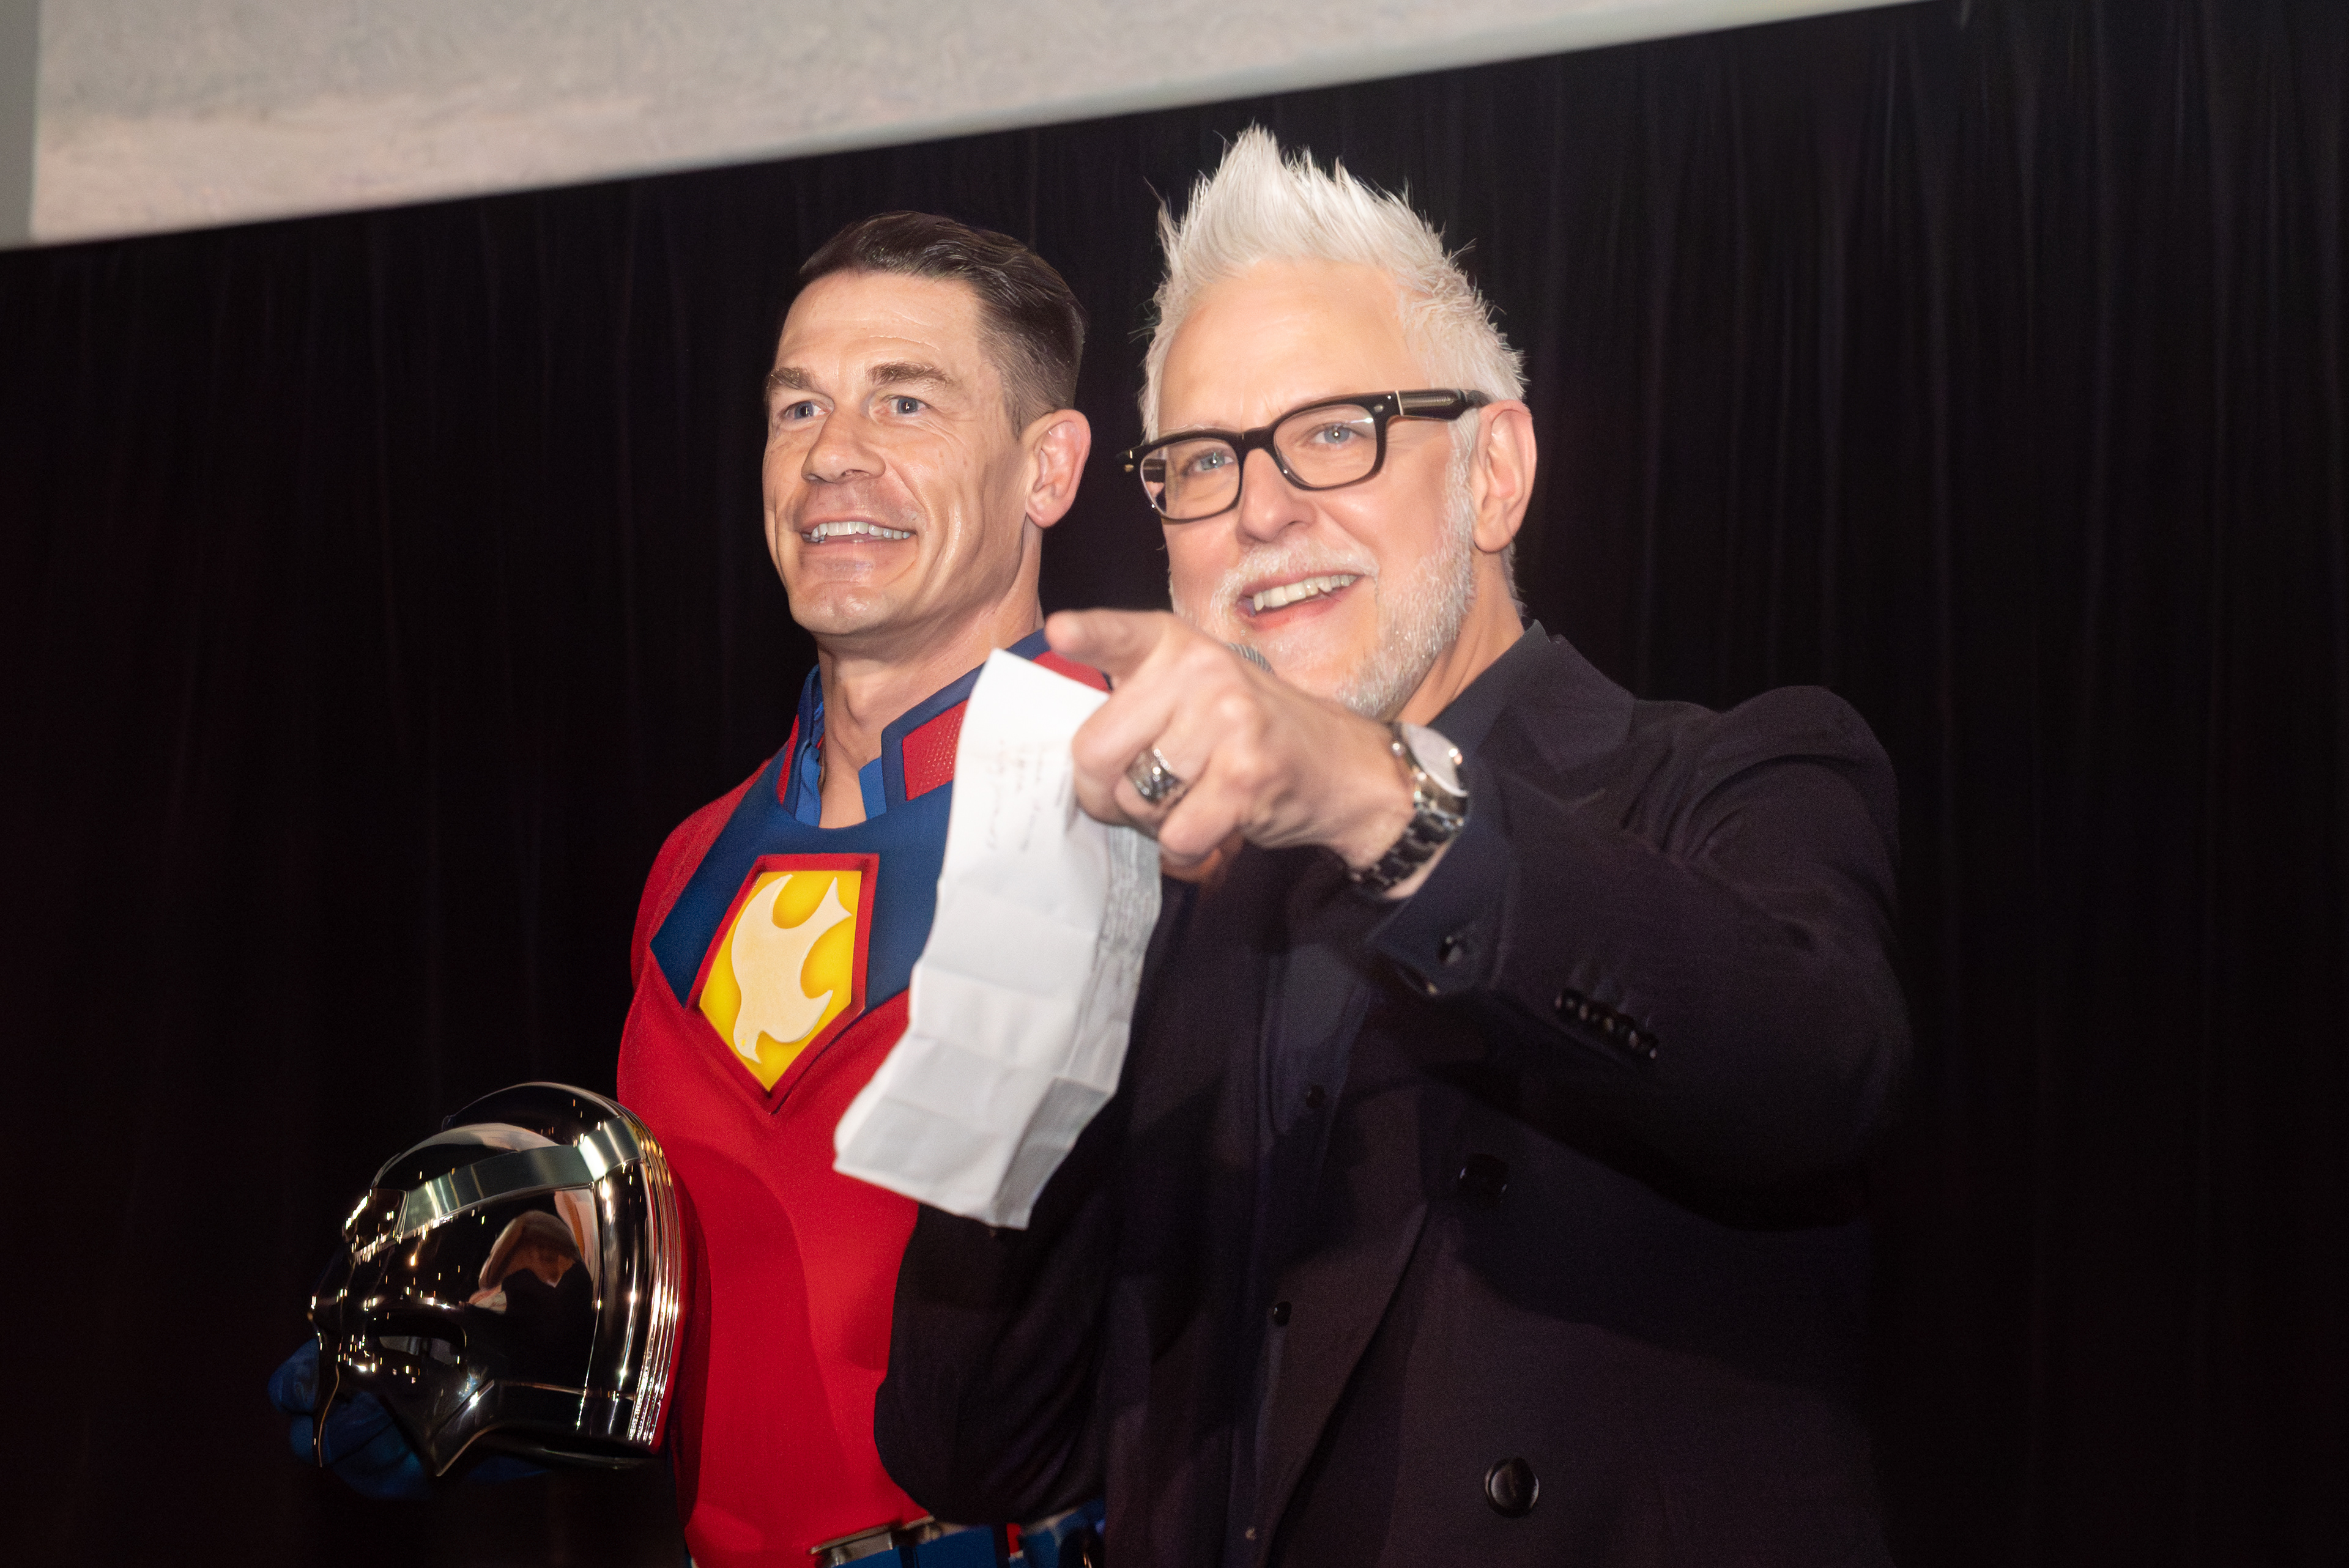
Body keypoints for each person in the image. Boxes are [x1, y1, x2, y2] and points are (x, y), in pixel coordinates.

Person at [875, 128, 1912, 1566]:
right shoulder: (1168, 919)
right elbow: (966, 1438)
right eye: (1200, 462)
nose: (1260, 509)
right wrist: (1049, 962)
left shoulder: (1727, 774)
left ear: (1495, 472)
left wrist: (1380, 796)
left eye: (1334, 431)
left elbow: (1818, 1064)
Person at [277, 211, 1106, 1567]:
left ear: (1048, 467)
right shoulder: (691, 868)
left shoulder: (1157, 811)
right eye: (798, 406)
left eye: (906, 398)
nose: (835, 453)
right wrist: (492, 1379)